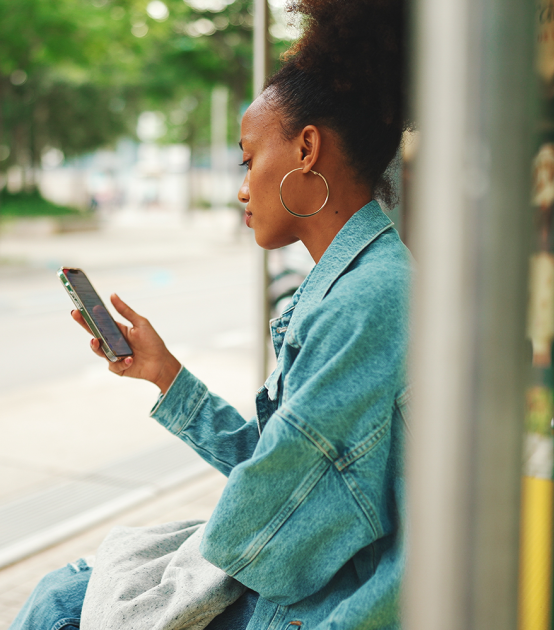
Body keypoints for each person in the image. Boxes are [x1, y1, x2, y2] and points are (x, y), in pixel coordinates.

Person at [9, 0, 411, 628]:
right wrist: (166, 376)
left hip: (318, 606)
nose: (242, 187)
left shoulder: (366, 303)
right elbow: (286, 477)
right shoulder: (362, 283)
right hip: (314, 587)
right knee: (71, 588)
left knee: (61, 603)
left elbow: (265, 524)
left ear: (307, 149)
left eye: (249, 159)